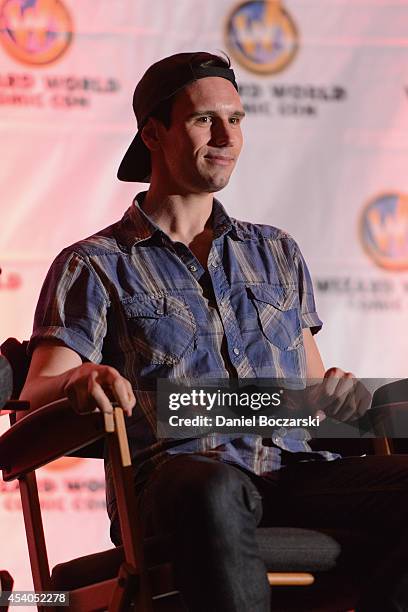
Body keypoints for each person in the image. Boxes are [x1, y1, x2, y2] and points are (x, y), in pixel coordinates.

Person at [21, 52, 408, 612]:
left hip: (290, 474)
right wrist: (80, 379)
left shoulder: (275, 251)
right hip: (179, 484)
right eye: (206, 120)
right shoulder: (97, 263)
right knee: (213, 489)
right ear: (154, 133)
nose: (227, 135)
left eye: (237, 119)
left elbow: (312, 388)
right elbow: (36, 392)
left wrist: (336, 394)